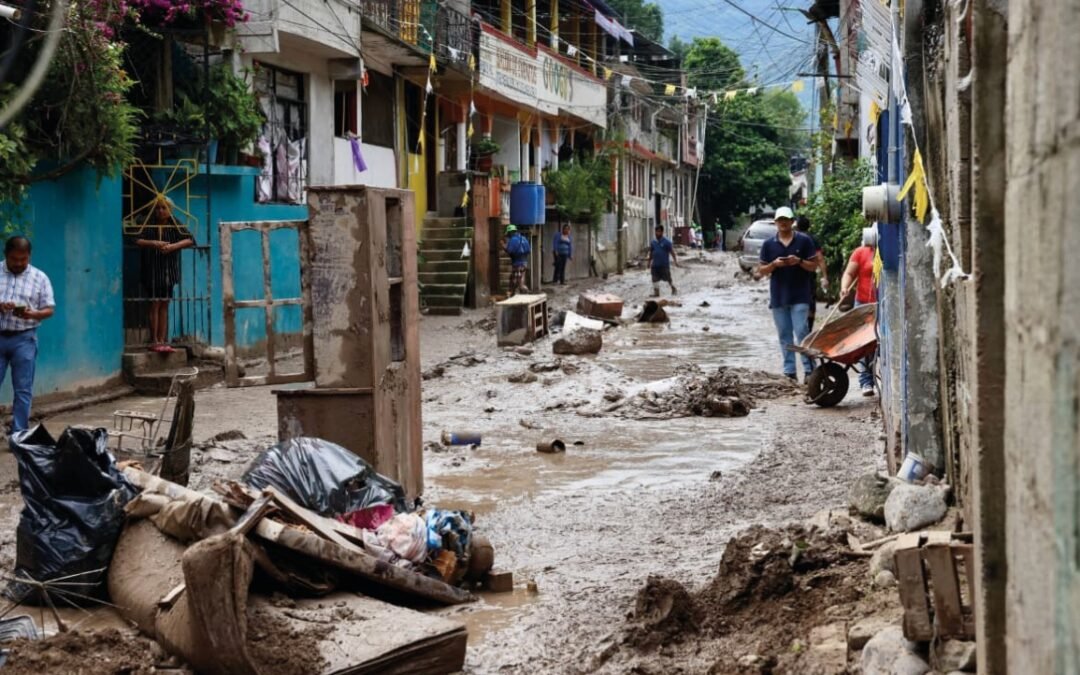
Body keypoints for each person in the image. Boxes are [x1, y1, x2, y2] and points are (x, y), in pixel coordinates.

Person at [757, 206, 819, 382]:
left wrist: (799, 261)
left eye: (786, 220)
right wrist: (774, 265)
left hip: (800, 294)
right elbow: (761, 270)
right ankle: (789, 371)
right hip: (778, 296)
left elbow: (813, 266)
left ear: (792, 222)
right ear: (775, 223)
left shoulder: (804, 241)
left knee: (802, 332)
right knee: (784, 334)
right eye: (780, 220)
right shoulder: (769, 244)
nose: (783, 223)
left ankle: (809, 370)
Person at [0, 236, 55, 434]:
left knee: (23, 390)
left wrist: (34, 314)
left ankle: (18, 434)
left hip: (24, 338)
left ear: (29, 256)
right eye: (15, 259)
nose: (19, 263)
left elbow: (49, 309)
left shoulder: (40, 277)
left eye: (23, 259)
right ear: (6, 255)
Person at [133, 197, 195, 353]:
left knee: (165, 304)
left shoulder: (174, 223)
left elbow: (190, 240)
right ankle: (154, 340)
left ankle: (162, 340)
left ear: (170, 209)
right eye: (158, 208)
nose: (160, 211)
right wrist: (153, 243)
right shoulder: (149, 222)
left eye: (164, 208)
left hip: (168, 270)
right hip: (152, 269)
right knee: (154, 303)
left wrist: (173, 246)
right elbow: (136, 239)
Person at [840, 226, 880, 396]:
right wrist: (844, 287)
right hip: (863, 303)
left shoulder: (886, 252)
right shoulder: (861, 252)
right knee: (863, 344)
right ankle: (866, 381)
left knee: (878, 342)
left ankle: (878, 377)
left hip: (882, 305)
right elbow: (849, 273)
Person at [796, 214, 829, 330]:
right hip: (809, 276)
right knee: (810, 303)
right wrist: (825, 277)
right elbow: (820, 258)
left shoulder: (792, 238)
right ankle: (808, 329)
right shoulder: (813, 239)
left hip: (793, 278)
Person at [647, 224, 679, 297]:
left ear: (662, 232)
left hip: (664, 264)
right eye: (656, 231)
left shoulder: (667, 242)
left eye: (658, 231)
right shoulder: (653, 242)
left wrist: (675, 261)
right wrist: (649, 262)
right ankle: (656, 292)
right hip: (655, 265)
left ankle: (673, 288)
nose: (657, 233)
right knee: (654, 278)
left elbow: (672, 252)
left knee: (668, 278)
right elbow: (651, 252)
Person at [504, 224, 531, 296]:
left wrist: (504, 246)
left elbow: (509, 251)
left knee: (516, 281)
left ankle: (523, 292)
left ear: (510, 232)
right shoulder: (524, 238)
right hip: (524, 263)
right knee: (519, 279)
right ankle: (518, 293)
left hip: (517, 264)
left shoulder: (513, 240)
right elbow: (528, 250)